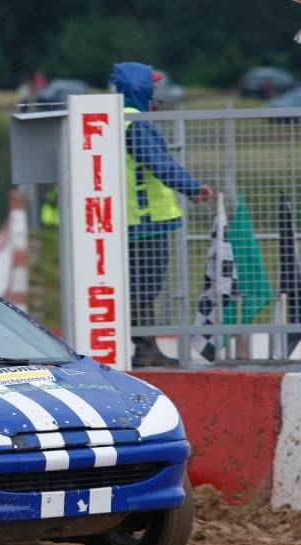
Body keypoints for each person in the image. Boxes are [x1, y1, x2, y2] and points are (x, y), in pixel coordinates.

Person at [111, 62, 214, 367]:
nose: (156, 89)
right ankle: (145, 349)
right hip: (147, 223)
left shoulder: (120, 120)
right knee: (147, 285)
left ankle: (145, 346)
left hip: (135, 221)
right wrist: (193, 188)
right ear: (139, 89)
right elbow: (161, 165)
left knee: (141, 285)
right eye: (152, 85)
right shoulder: (136, 124)